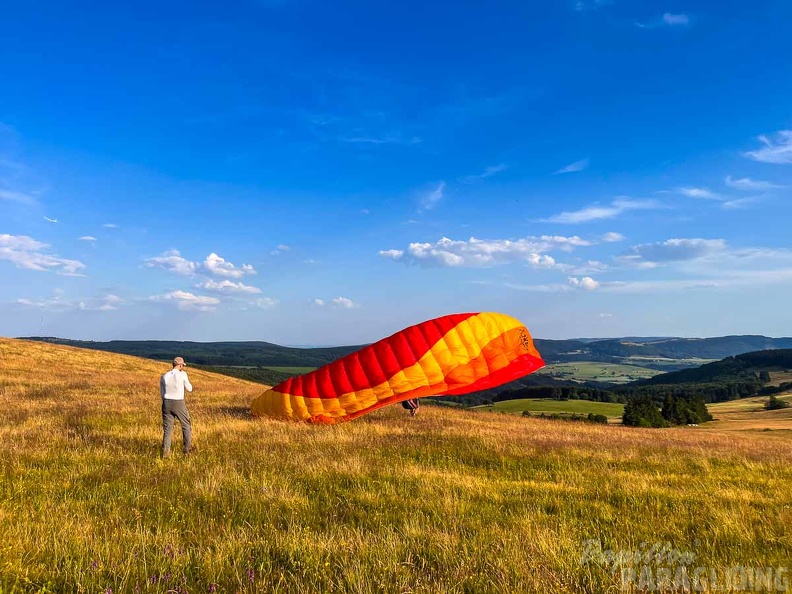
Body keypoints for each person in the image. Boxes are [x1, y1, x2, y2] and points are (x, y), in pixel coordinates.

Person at [160, 356, 194, 457]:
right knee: (186, 424)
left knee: (167, 429)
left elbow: (162, 394)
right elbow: (190, 388)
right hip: (178, 402)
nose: (183, 367)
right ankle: (187, 449)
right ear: (180, 365)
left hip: (166, 403)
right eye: (182, 365)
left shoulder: (164, 376)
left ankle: (166, 453)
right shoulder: (182, 374)